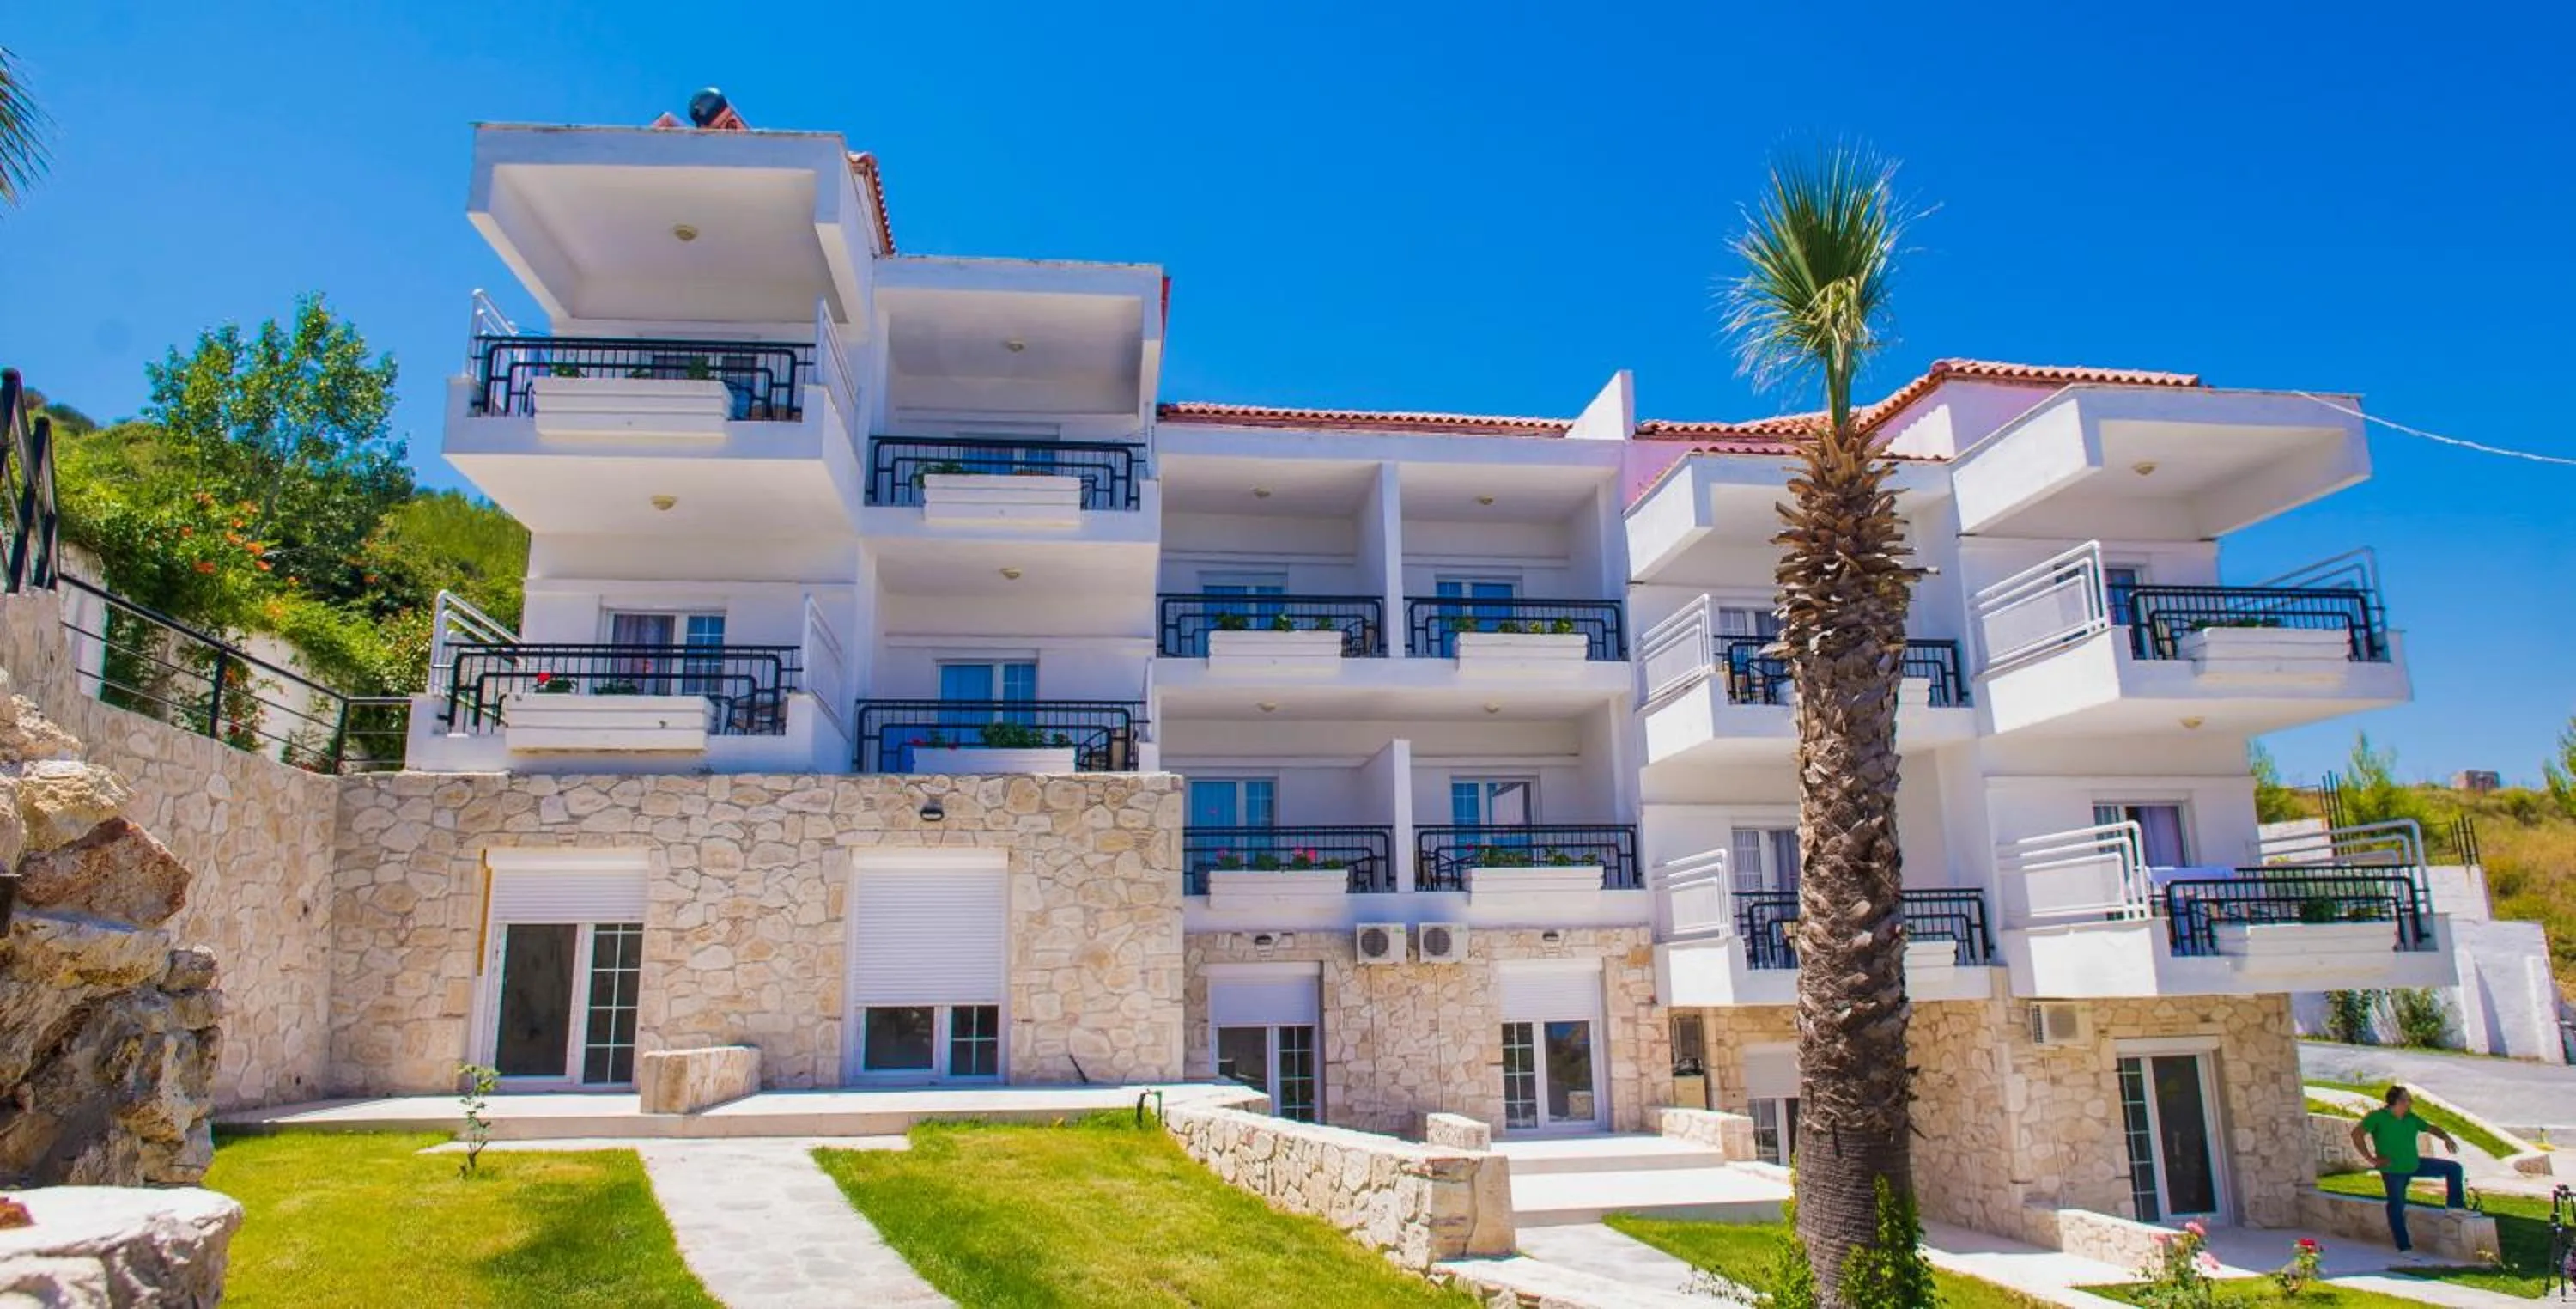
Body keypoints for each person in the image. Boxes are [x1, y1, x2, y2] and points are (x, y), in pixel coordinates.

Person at [2349, 1084, 2465, 1253]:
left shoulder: (2410, 1118)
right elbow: (2356, 1134)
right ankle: (2404, 1247)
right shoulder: (2377, 1117)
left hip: (2414, 1165)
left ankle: (2455, 1206)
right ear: (2397, 1101)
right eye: (2407, 1099)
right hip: (2393, 1170)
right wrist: (2371, 1159)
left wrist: (2446, 1137)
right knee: (2396, 1206)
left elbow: (2430, 1128)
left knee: (2453, 1168)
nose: (2410, 1102)